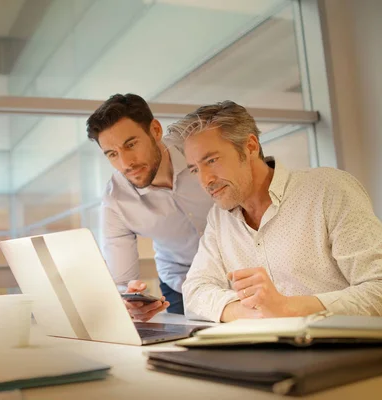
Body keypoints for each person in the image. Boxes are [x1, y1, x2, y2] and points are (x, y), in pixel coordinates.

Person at [165, 100, 382, 322]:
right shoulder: (219, 218)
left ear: (250, 146)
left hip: (341, 351)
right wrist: (250, 312)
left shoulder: (328, 189)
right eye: (195, 169)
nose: (205, 180)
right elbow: (194, 293)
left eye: (212, 160)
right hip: (261, 352)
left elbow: (377, 289)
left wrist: (288, 308)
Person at [86, 93, 213, 322]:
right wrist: (131, 300)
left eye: (131, 144)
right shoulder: (116, 201)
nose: (126, 163)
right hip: (182, 285)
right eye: (113, 154)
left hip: (239, 274)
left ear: (155, 130)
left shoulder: (199, 152)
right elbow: (123, 283)